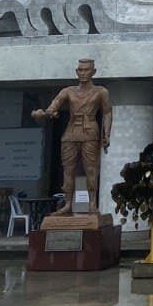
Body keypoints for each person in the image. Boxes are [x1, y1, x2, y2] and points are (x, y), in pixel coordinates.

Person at [32, 58, 112, 214]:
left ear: (93, 72)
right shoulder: (67, 91)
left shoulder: (101, 92)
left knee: (91, 170)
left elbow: (108, 112)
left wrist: (106, 133)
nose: (83, 73)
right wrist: (45, 114)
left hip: (90, 132)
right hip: (70, 133)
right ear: (76, 72)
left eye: (86, 70)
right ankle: (68, 205)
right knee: (68, 170)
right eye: (80, 70)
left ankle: (92, 204)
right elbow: (53, 107)